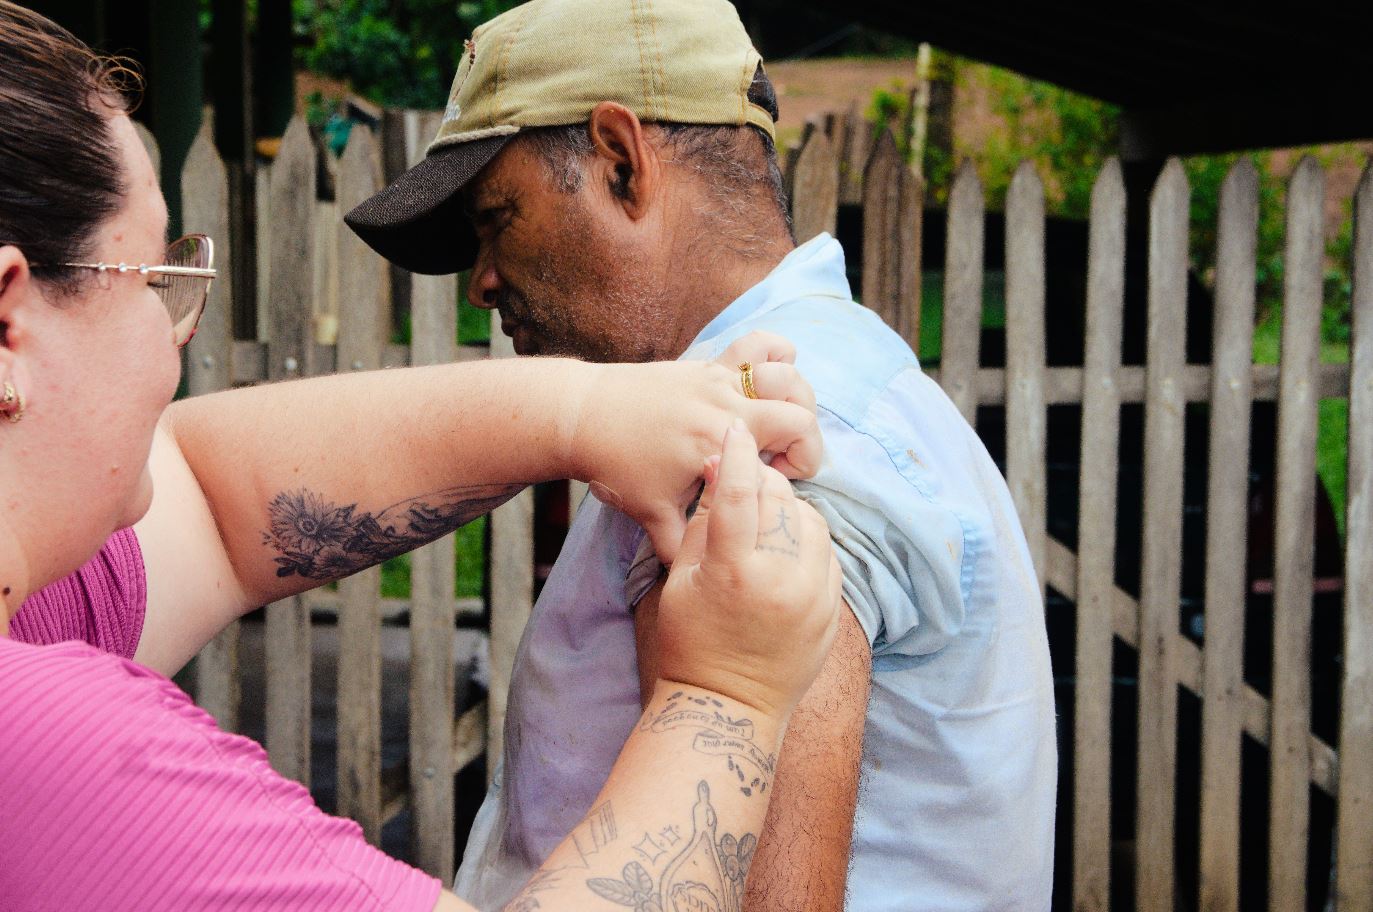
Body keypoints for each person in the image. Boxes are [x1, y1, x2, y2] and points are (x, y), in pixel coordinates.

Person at [0, 3, 842, 910]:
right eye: (156, 283)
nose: (177, 337)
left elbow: (212, 496)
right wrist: (730, 694)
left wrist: (588, 411)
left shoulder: (36, 611)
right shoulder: (50, 751)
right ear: (9, 323)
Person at [345, 1, 1058, 910]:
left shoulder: (756, 433)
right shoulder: (809, 384)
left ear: (618, 160)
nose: (482, 280)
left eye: (495, 219)